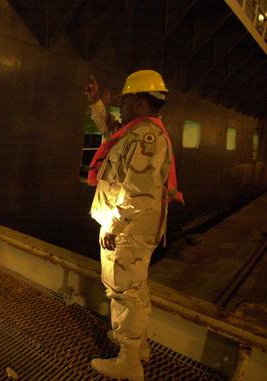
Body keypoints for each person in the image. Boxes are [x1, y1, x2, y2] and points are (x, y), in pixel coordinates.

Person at [85, 70, 184, 381]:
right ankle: (137, 346)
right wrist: (96, 104)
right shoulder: (137, 131)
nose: (121, 107)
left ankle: (128, 363)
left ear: (140, 103)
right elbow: (111, 132)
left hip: (128, 229)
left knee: (124, 290)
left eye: (125, 101)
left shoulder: (145, 139)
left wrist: (113, 226)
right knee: (136, 289)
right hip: (133, 226)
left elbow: (139, 192)